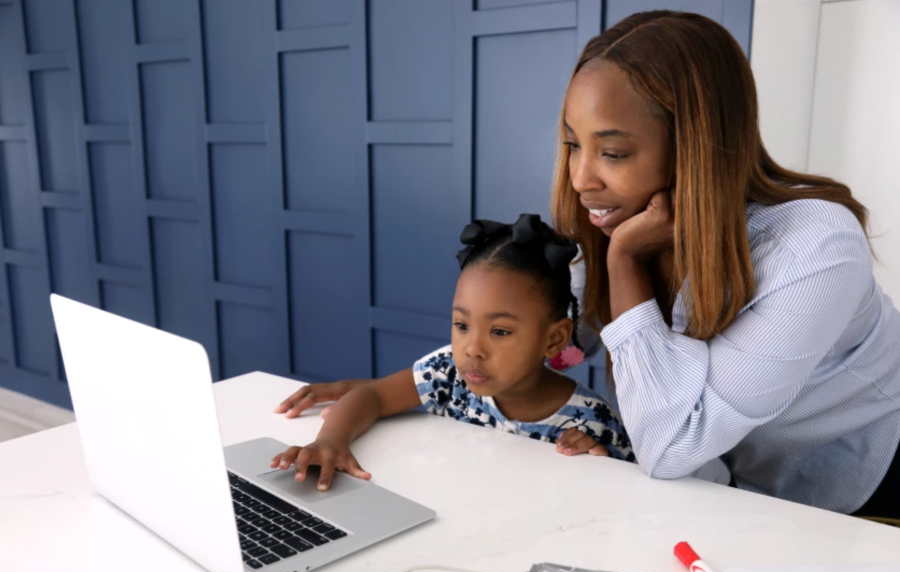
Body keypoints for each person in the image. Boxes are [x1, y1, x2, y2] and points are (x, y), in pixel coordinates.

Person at [549, 10, 899, 519]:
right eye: (573, 145)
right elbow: (519, 336)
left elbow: (672, 445)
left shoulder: (815, 248)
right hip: (733, 490)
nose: (581, 179)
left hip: (865, 486)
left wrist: (624, 262)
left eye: (614, 153)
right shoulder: (623, 220)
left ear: (694, 148)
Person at [272, 215, 635, 490]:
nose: (472, 348)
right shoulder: (449, 374)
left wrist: (593, 462)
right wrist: (330, 442)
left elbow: (625, 500)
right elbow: (374, 396)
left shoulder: (592, 422)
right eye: (462, 325)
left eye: (499, 331)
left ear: (554, 339)